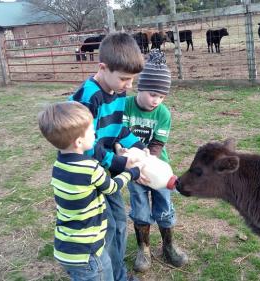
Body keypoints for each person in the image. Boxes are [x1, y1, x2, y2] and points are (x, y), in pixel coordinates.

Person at [68, 32, 146, 281]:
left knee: (119, 222)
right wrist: (122, 163)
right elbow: (87, 147)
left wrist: (137, 145)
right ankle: (110, 275)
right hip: (88, 174)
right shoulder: (89, 97)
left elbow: (116, 127)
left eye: (132, 79)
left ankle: (118, 272)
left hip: (106, 169)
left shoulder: (117, 90)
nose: (129, 85)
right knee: (108, 227)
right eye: (125, 79)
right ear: (103, 68)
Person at [37, 101, 142, 281]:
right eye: (91, 130)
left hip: (67, 248)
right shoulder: (90, 167)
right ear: (79, 141)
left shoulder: (59, 165)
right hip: (90, 251)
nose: (95, 132)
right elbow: (112, 187)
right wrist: (131, 173)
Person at [122, 49, 188, 272]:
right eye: (152, 94)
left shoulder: (163, 113)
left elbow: (158, 143)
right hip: (133, 170)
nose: (156, 100)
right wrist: (133, 165)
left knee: (164, 207)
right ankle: (144, 249)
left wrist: (148, 162)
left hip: (157, 167)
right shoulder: (125, 106)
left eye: (161, 96)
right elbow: (118, 134)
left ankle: (168, 246)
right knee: (140, 210)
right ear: (140, 87)